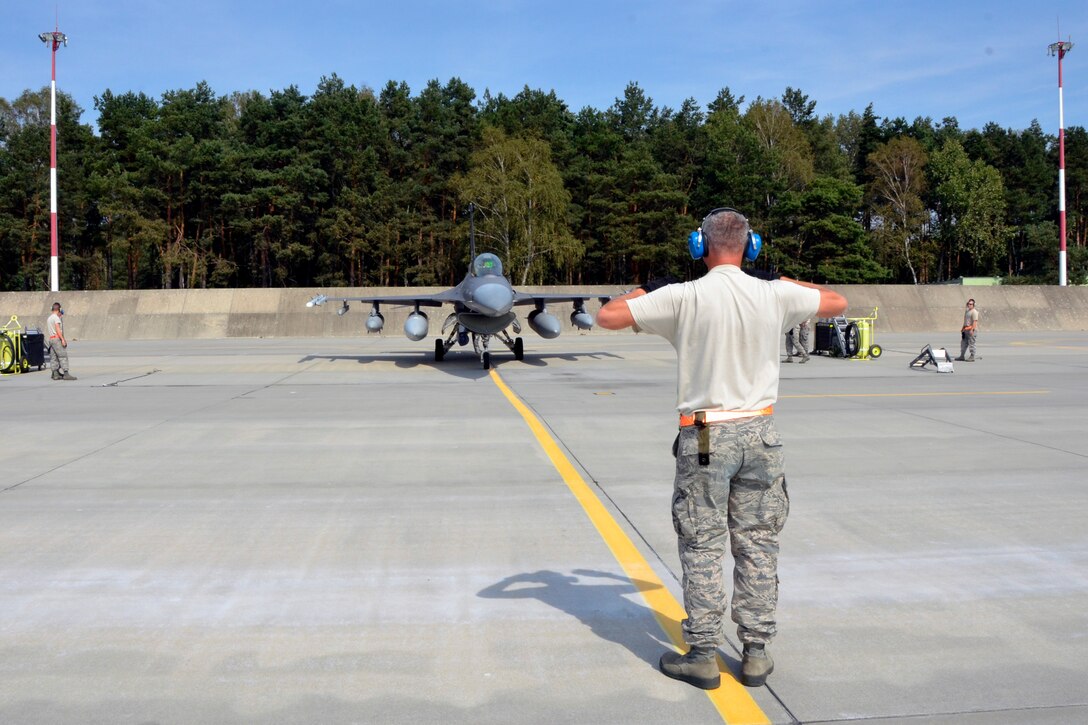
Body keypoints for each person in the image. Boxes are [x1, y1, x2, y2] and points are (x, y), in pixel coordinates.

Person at [596, 208, 847, 691]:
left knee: (703, 543)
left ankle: (705, 654)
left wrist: (650, 287)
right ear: (750, 247)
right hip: (761, 432)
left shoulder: (685, 295)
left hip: (707, 434)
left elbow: (608, 315)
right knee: (758, 543)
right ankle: (755, 652)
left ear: (700, 246)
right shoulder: (773, 293)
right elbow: (836, 301)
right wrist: (775, 277)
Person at [46, 302, 77, 381]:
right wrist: (63, 339)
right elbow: (57, 329)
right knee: (63, 356)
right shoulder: (56, 318)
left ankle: (55, 374)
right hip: (57, 339)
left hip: (51, 339)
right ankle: (66, 374)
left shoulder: (49, 318)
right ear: (59, 309)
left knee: (54, 357)